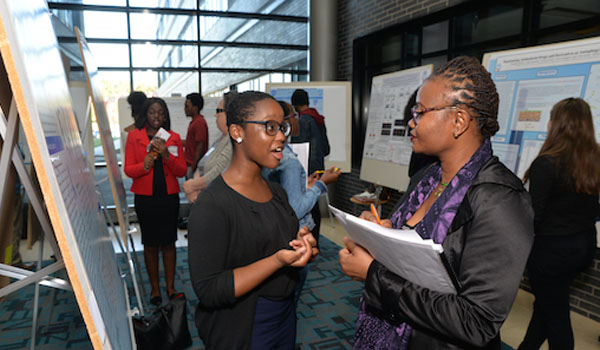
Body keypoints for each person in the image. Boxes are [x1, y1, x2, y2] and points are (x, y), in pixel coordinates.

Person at [338, 56, 534, 349]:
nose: (411, 120)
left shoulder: (501, 200)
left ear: (458, 121)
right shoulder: (426, 177)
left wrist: (373, 275)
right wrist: (384, 234)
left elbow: (476, 321)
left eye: (420, 111)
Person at [188, 91, 318, 349]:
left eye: (282, 127)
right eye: (270, 127)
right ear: (237, 132)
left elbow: (282, 246)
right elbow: (210, 289)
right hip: (244, 326)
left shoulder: (277, 193)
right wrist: (277, 260)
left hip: (284, 317)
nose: (281, 135)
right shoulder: (212, 205)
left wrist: (302, 245)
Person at [518, 98, 600, 350]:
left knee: (556, 318)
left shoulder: (547, 162)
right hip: (583, 247)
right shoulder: (594, 160)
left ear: (557, 125)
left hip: (551, 253)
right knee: (546, 304)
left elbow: (535, 216)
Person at [262, 100, 341, 303]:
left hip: (273, 230)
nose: (297, 122)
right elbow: (295, 209)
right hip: (293, 234)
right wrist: (321, 185)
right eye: (292, 118)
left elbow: (281, 193)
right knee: (288, 299)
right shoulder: (288, 161)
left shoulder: (268, 154)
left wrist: (303, 186)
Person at [124, 97, 187, 306]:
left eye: (160, 113)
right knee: (150, 245)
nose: (156, 117)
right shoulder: (134, 137)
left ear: (166, 115)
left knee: (169, 243)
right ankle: (154, 289)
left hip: (169, 198)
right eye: (152, 112)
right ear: (145, 114)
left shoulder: (173, 138)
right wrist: (144, 165)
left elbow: (182, 170)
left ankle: (170, 287)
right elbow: (128, 170)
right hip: (146, 199)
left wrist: (167, 155)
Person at [290, 89, 331, 243]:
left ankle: (310, 240)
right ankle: (316, 241)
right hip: (318, 166)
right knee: (315, 206)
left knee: (307, 206)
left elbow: (298, 149)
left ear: (295, 105)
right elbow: (326, 148)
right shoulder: (319, 119)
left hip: (306, 169)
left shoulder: (303, 121)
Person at [182, 91, 236, 203]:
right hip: (205, 194)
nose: (215, 115)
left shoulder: (233, 140)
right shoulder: (221, 138)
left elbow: (218, 171)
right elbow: (204, 163)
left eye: (218, 111)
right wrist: (195, 184)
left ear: (229, 114)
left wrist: (193, 186)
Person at [184, 92, 208, 179]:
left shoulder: (199, 123)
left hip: (193, 166)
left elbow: (200, 147)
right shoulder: (194, 122)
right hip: (190, 165)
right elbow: (192, 143)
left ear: (195, 108)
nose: (185, 109)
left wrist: (193, 167)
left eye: (187, 106)